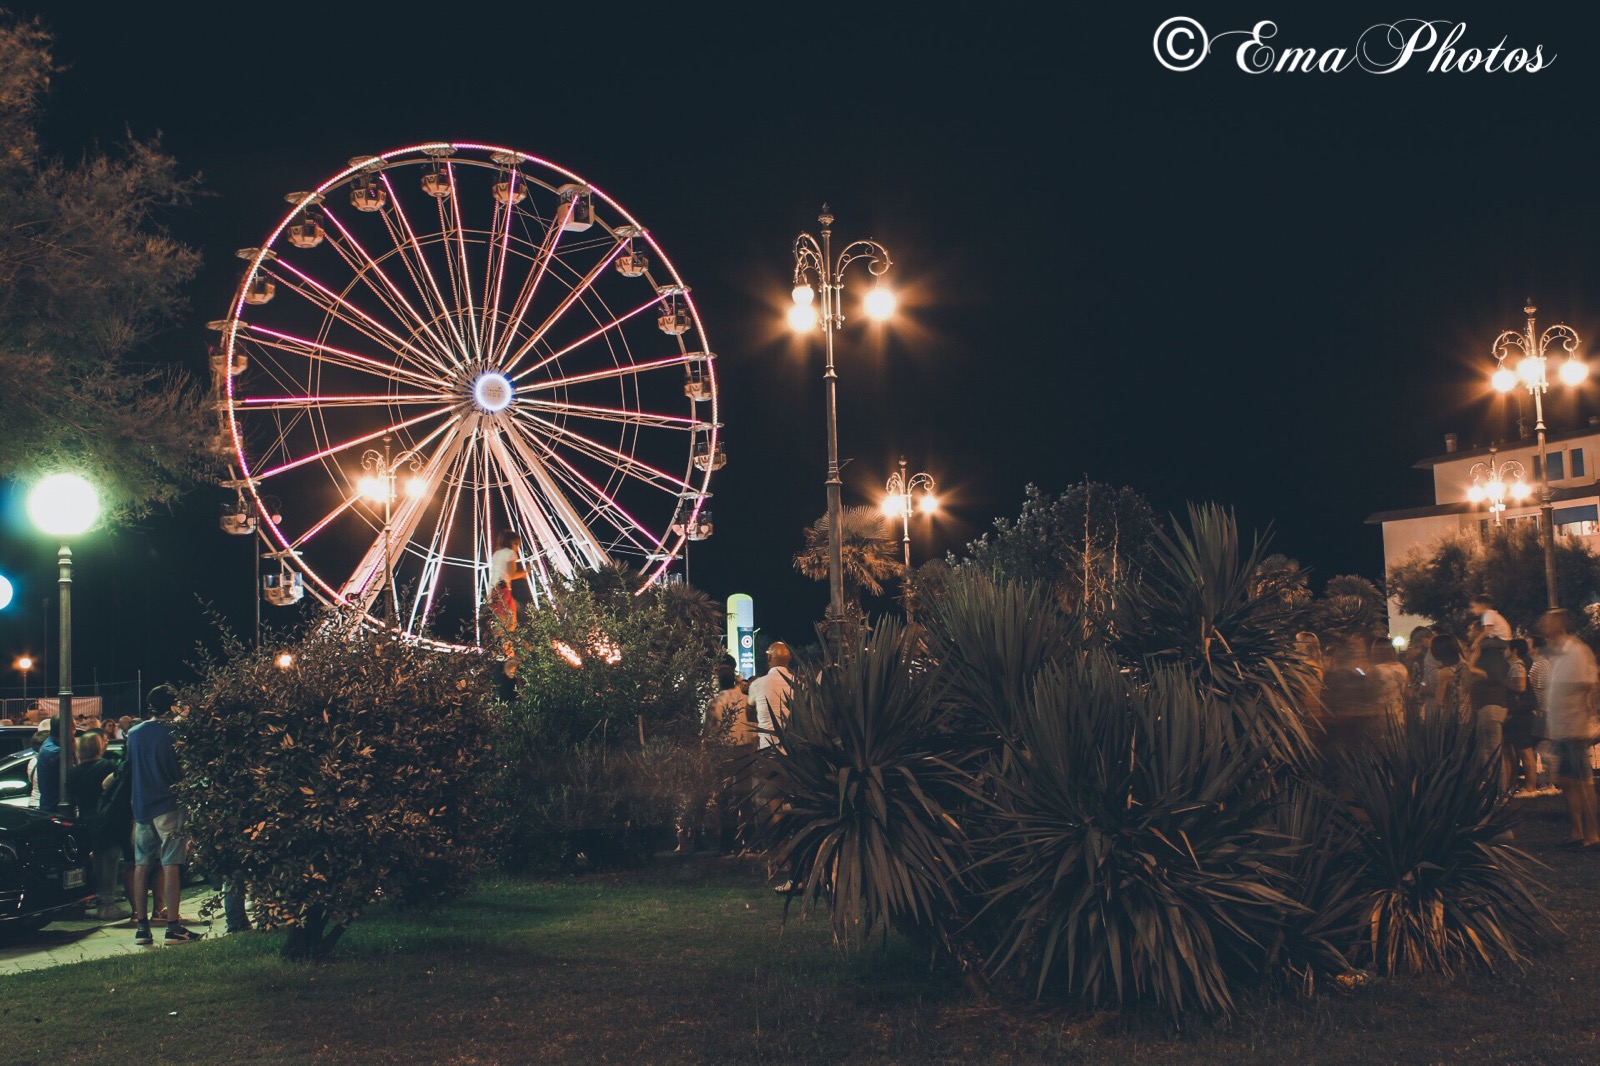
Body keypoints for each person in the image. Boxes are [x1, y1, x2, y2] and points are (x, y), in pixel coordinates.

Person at [128, 684, 199, 944]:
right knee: (171, 864)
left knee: (141, 865)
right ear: (172, 705)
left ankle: (142, 927)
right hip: (168, 803)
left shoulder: (133, 734)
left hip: (141, 805)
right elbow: (179, 770)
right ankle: (173, 926)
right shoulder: (174, 732)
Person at [1537, 608, 1600, 849]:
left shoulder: (1577, 652)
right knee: (1567, 780)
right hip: (1560, 729)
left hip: (1573, 728)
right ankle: (1576, 831)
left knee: (1582, 782)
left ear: (1560, 625)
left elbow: (1586, 687)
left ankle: (1592, 834)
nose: (1543, 626)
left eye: (1547, 622)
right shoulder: (1560, 654)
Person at [67, 730, 125, 920]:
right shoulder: (107, 766)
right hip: (105, 820)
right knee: (109, 862)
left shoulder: (73, 772)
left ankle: (87, 902)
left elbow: (72, 798)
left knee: (94, 864)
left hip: (85, 820)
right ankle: (107, 905)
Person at [1467, 632, 1526, 792]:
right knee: (1495, 749)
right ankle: (1501, 788)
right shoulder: (1502, 662)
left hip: (1489, 708)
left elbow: (1469, 670)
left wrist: (1475, 654)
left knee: (1490, 751)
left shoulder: (1487, 662)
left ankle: (1497, 790)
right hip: (1499, 708)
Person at [1505, 638, 1541, 796]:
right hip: (1525, 712)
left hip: (1521, 713)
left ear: (1514, 650)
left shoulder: (1518, 665)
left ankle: (1530, 788)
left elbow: (1520, 687)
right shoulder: (1527, 662)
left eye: (1507, 648)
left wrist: (1502, 682)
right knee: (1524, 751)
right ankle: (1528, 786)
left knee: (1525, 751)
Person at [747, 642, 794, 749]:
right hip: (792, 753)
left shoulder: (757, 684)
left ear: (769, 657)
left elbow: (749, 713)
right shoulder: (798, 685)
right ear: (789, 659)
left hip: (766, 748)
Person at [1368, 638, 1410, 722]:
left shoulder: (1375, 670)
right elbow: (1407, 691)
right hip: (1400, 713)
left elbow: (1369, 694)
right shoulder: (1401, 667)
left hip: (1383, 714)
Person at [34, 716, 61, 813]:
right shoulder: (55, 751)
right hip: (54, 808)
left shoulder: (47, 747)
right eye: (74, 728)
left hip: (47, 805)